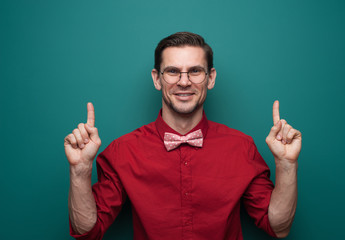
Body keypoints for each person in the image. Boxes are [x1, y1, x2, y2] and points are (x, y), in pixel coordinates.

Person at [64, 32, 302, 240]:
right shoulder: (123, 151)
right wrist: (80, 169)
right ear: (157, 79)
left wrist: (287, 164)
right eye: (173, 72)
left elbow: (278, 227)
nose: (184, 82)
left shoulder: (241, 147)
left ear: (211, 78)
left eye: (195, 71)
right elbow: (87, 231)